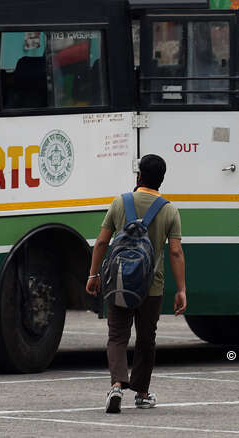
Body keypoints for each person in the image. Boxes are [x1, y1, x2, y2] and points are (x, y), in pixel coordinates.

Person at [86, 154, 186, 413]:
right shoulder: (169, 210)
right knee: (146, 339)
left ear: (139, 176)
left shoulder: (120, 203)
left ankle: (117, 385)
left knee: (117, 336)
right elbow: (175, 252)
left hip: (118, 282)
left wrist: (93, 275)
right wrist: (181, 289)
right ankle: (141, 393)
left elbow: (102, 242)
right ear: (162, 179)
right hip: (151, 286)